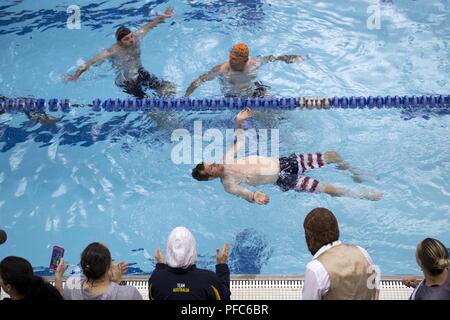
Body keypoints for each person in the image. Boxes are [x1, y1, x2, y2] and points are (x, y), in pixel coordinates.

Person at [191, 109, 383, 204]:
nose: (216, 165)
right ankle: (362, 195)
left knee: (332, 155)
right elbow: (245, 194)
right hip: (283, 179)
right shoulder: (229, 185)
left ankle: (354, 173)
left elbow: (239, 142)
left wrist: (238, 122)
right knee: (327, 189)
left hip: (283, 162)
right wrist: (255, 196)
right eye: (212, 168)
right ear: (210, 177)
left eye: (213, 163)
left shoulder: (227, 160)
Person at [64, 6, 176, 99]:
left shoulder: (137, 37)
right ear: (119, 42)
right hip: (127, 82)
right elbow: (87, 64)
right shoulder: (112, 51)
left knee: (168, 88)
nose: (131, 40)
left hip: (140, 72)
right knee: (146, 102)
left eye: (131, 36)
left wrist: (164, 16)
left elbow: (151, 25)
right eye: (126, 39)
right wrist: (75, 76)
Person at [302, 208, 379, 300]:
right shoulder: (362, 252)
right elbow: (374, 290)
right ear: (337, 230)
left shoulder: (316, 268)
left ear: (309, 238)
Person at [183, 43, 304, 98]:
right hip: (234, 97)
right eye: (232, 59)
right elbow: (199, 80)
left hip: (255, 90)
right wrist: (185, 96)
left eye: (237, 60)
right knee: (259, 118)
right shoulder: (221, 69)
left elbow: (273, 57)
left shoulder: (254, 63)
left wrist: (290, 58)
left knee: (276, 109)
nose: (233, 62)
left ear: (246, 60)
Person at [148, 226, 231, 300]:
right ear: (192, 250)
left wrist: (160, 267)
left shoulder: (156, 280)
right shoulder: (209, 279)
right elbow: (225, 297)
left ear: (169, 250)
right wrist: (222, 266)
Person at [55, 242, 142, 300]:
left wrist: (58, 276)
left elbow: (63, 297)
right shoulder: (129, 294)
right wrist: (118, 281)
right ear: (108, 267)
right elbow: (119, 293)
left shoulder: (72, 284)